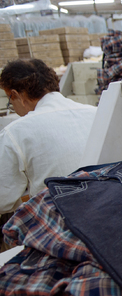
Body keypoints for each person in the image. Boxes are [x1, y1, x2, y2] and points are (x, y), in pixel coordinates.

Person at [0, 59, 97, 214]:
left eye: (10, 101)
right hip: (107, 207)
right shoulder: (96, 113)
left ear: (16, 95)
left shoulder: (15, 132)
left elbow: (3, 201)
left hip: (63, 222)